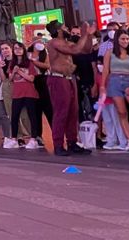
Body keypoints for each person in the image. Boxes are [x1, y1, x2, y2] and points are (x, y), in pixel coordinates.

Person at [44, 19, 94, 156]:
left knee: (73, 111)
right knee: (61, 112)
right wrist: (84, 34)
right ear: (58, 29)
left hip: (69, 78)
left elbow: (86, 49)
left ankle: (72, 142)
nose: (67, 29)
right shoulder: (54, 42)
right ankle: (58, 144)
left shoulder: (67, 42)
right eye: (65, 27)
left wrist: (88, 35)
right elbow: (77, 49)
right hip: (57, 79)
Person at [101, 30, 129, 152]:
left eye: (127, 39)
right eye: (123, 39)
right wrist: (102, 86)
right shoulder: (109, 52)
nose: (125, 41)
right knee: (122, 113)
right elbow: (105, 70)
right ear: (117, 40)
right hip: (114, 81)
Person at [8, 44, 42, 149]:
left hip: (29, 93)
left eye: (20, 48)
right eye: (15, 49)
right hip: (17, 93)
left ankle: (33, 139)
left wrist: (20, 72)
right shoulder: (12, 63)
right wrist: (14, 71)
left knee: (32, 116)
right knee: (14, 116)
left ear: (24, 50)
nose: (18, 50)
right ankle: (14, 138)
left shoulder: (29, 63)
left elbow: (31, 79)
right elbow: (10, 79)